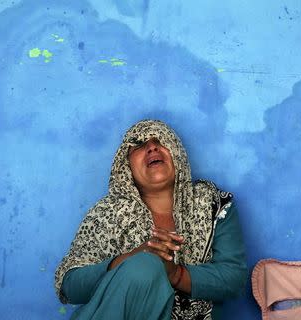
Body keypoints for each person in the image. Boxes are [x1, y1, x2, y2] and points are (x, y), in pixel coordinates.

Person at [55, 119, 247, 319]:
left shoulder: (212, 204)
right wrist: (128, 260)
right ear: (126, 166)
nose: (152, 147)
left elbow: (234, 279)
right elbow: (70, 286)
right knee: (145, 266)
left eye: (161, 140)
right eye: (138, 144)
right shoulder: (107, 214)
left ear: (176, 152)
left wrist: (176, 274)